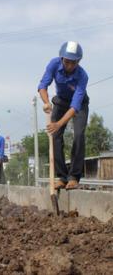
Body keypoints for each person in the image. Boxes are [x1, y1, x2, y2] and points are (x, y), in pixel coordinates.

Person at [38, 41, 89, 190]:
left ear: (78, 61)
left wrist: (59, 123)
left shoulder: (83, 76)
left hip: (79, 104)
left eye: (74, 63)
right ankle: (62, 176)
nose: (70, 66)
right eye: (67, 62)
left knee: (79, 134)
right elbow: (42, 86)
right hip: (60, 102)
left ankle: (74, 177)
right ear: (61, 59)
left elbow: (75, 106)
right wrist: (46, 102)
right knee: (55, 136)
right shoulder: (53, 64)